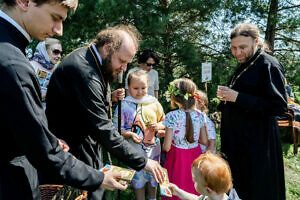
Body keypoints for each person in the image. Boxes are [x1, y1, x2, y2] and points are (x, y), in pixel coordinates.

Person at [0, 0, 132, 199]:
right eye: (55, 17)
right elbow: (43, 151)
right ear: (24, 1)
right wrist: (98, 178)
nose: (59, 30)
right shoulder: (13, 64)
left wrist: (46, 138)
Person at [45, 25, 164, 200]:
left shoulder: (95, 63)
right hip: (71, 158)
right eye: (122, 61)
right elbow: (102, 127)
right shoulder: (84, 71)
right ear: (107, 48)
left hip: (85, 153)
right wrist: (143, 161)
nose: (124, 68)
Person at [216, 23, 287, 200]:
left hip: (258, 145)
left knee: (258, 190)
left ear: (256, 41)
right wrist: (227, 99)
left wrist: (237, 97)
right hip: (238, 144)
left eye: (242, 47)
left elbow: (278, 106)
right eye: (233, 48)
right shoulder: (245, 63)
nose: (237, 53)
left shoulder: (268, 65)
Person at [113, 69, 166, 200]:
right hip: (134, 151)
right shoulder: (124, 104)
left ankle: (153, 198)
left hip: (153, 150)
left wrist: (159, 127)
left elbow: (164, 121)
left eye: (143, 88)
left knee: (153, 176)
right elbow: (115, 129)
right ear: (128, 87)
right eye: (135, 88)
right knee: (138, 178)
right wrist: (129, 134)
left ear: (148, 85)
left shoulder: (154, 102)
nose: (140, 91)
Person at [162, 78, 208, 200]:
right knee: (195, 187)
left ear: (174, 97)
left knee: (175, 188)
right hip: (195, 155)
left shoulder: (171, 116)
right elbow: (204, 141)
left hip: (177, 158)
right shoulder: (200, 115)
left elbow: (166, 147)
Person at [169, 152, 240, 200]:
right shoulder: (211, 195)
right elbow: (196, 199)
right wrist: (177, 192)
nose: (193, 182)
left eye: (195, 181)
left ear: (208, 190)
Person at [30, 38, 62, 109]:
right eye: (56, 52)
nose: (59, 56)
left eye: (60, 53)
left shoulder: (57, 68)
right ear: (44, 50)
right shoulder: (30, 66)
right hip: (33, 112)